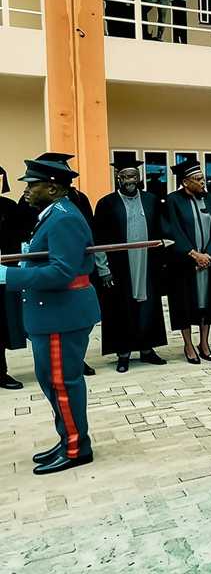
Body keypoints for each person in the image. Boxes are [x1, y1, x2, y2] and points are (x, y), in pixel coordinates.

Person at [1, 158, 100, 474]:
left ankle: (76, 448)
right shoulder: (52, 216)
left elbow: (61, 272)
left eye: (33, 184)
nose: (27, 190)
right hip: (53, 314)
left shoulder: (63, 219)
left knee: (61, 382)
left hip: (62, 314)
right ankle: (68, 437)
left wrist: (8, 276)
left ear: (54, 187)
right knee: (52, 381)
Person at [92, 153, 168, 373]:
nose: (130, 181)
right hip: (119, 266)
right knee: (120, 309)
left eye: (134, 176)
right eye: (125, 177)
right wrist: (103, 269)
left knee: (148, 306)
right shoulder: (106, 203)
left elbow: (161, 232)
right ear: (118, 177)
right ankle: (123, 354)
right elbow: (99, 240)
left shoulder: (151, 200)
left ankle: (147, 350)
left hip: (146, 263)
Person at [163, 160, 211, 363]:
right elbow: (172, 231)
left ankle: (204, 342)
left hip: (208, 262)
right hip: (184, 263)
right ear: (185, 182)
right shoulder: (173, 201)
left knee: (207, 304)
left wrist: (208, 254)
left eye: (203, 178)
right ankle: (188, 344)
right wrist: (194, 254)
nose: (203, 182)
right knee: (184, 304)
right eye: (198, 179)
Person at [0, 167, 29, 390]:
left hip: (4, 274)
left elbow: (22, 237)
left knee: (2, 323)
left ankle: (1, 372)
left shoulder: (9, 208)